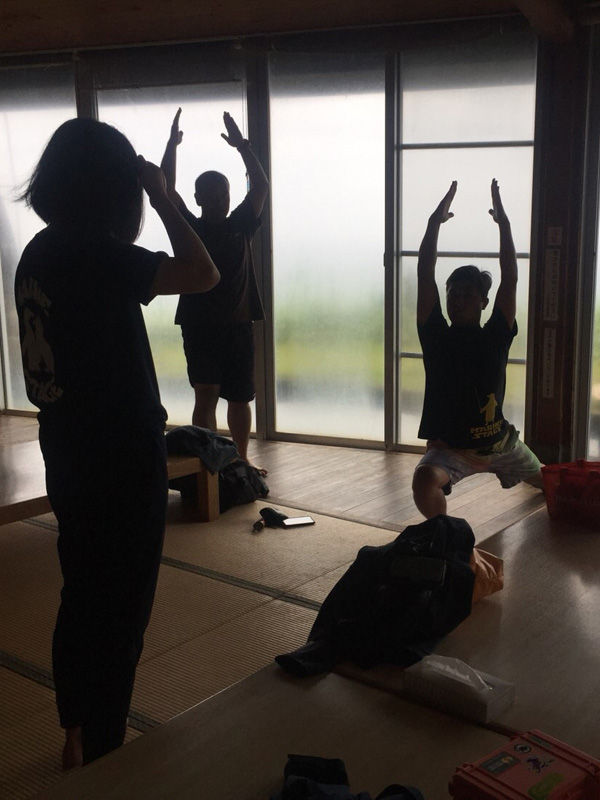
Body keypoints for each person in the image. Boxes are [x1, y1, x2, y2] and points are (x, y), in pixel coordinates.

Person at [14, 118, 219, 768]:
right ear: (114, 187)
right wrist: (164, 195)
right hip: (122, 454)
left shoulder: (39, 252)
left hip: (65, 445)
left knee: (81, 591)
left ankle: (75, 731)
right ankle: (105, 753)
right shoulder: (98, 254)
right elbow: (203, 272)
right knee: (123, 610)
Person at [412, 179, 543, 519]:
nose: (458, 300)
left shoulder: (496, 333)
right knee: (424, 481)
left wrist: (504, 225)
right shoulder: (435, 333)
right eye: (453, 293)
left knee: (552, 482)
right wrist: (433, 223)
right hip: (451, 449)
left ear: (484, 301)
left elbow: (510, 278)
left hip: (501, 444)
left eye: (467, 294)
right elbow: (425, 274)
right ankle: (446, 534)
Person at [160, 108, 269, 472]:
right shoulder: (188, 228)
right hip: (199, 325)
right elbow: (165, 190)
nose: (220, 199)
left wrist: (243, 146)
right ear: (198, 198)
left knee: (240, 397)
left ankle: (240, 459)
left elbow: (261, 186)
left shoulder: (241, 224)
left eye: (224, 193)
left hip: (238, 324)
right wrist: (172, 146)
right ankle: (208, 465)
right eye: (212, 194)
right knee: (206, 394)